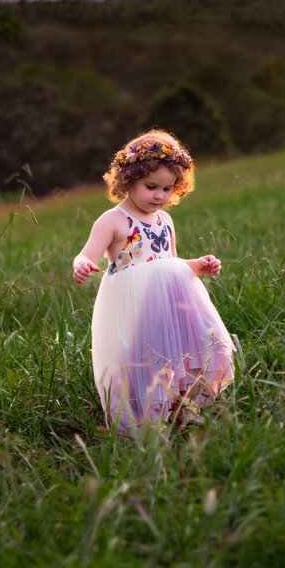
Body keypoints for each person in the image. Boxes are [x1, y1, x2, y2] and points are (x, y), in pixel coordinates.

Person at [72, 129, 235, 433]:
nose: (159, 196)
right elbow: (87, 254)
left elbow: (169, 262)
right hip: (133, 305)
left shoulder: (165, 221)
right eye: (151, 187)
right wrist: (82, 265)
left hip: (170, 302)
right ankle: (149, 418)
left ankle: (182, 406)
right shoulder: (113, 220)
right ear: (128, 180)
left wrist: (197, 265)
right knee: (146, 358)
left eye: (168, 188)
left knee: (179, 354)